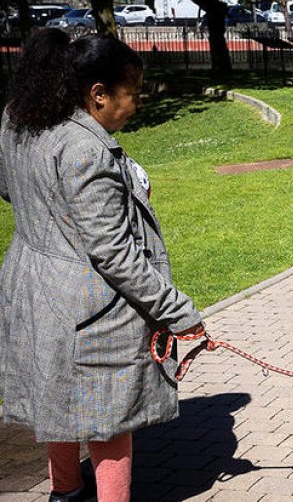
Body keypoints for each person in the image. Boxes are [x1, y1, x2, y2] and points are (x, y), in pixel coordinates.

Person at [0, 30, 206, 502]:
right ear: (98, 95)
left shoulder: (17, 119)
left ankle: (65, 491)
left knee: (60, 401)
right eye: (131, 94)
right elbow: (114, 254)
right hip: (90, 305)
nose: (135, 105)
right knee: (107, 414)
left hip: (33, 284)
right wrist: (181, 314)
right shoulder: (86, 150)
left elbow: (10, 187)